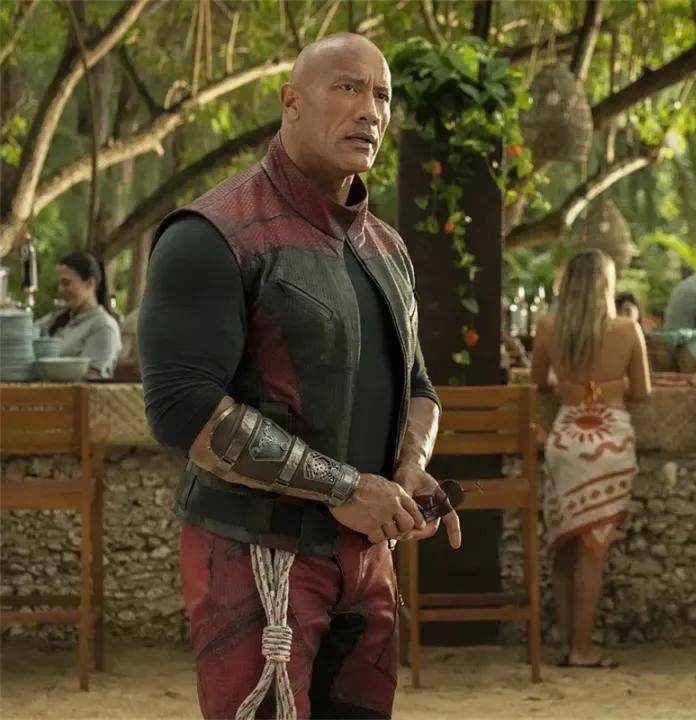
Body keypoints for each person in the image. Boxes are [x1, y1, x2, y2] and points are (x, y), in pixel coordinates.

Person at [138, 33, 461, 720]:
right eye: (348, 87)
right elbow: (183, 410)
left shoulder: (386, 246)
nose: (370, 110)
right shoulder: (209, 233)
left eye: (382, 96)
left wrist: (409, 468)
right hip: (256, 553)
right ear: (290, 101)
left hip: (366, 560)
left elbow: (419, 387)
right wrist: (344, 487)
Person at [531, 249, 651, 669]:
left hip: (565, 440)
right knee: (593, 548)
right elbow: (642, 392)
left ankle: (568, 645)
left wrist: (569, 383)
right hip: (610, 443)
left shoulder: (547, 326)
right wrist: (609, 385)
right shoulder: (627, 328)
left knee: (564, 545)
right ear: (607, 285)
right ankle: (583, 649)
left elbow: (537, 383)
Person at [34, 251, 122, 379]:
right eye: (59, 284)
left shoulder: (103, 327)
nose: (60, 290)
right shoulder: (56, 318)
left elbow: (90, 377)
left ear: (90, 284)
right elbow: (23, 335)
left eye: (66, 283)